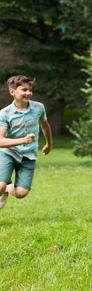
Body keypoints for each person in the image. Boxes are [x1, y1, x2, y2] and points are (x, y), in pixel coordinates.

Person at [0, 75, 53, 210]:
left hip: (28, 156)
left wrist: (49, 143)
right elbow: (1, 141)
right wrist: (22, 140)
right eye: (24, 90)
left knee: (21, 193)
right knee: (0, 184)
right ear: (12, 92)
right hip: (8, 153)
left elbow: (45, 126)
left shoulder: (39, 108)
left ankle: (8, 188)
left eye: (30, 90)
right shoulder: (4, 113)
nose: (28, 93)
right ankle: (4, 186)